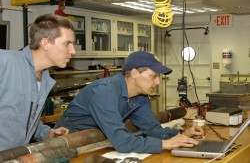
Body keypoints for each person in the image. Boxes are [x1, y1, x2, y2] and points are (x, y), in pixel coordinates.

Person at [55, 51, 204, 153]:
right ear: (134, 73)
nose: (158, 82)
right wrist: (165, 144)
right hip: (66, 146)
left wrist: (183, 134)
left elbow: (152, 129)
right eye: (153, 76)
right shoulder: (104, 92)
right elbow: (122, 141)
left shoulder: (140, 96)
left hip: (98, 143)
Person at [0, 13, 76, 151]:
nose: (73, 51)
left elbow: (23, 120)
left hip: (15, 156)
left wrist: (46, 133)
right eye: (67, 44)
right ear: (45, 43)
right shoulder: (5, 62)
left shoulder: (44, 78)